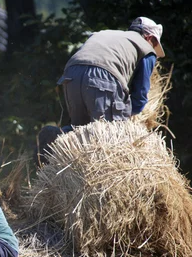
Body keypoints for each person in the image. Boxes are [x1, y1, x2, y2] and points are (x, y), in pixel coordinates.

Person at [35, 17, 166, 166]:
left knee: (82, 130)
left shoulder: (107, 35)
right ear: (149, 37)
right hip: (102, 77)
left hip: (71, 75)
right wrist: (129, 117)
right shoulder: (146, 49)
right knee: (112, 136)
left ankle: (58, 137)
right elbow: (140, 94)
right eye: (155, 44)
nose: (154, 48)